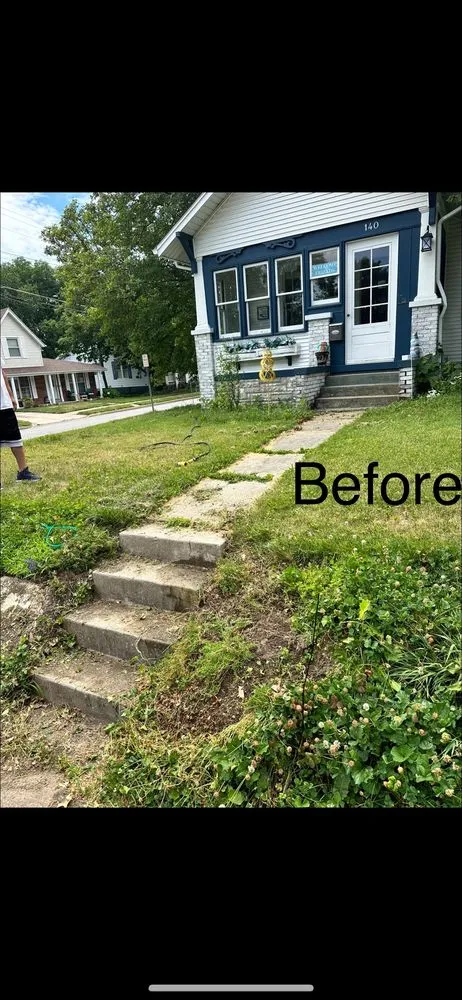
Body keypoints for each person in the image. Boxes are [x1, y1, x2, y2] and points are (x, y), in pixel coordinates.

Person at [0, 366, 41, 483]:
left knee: (15, 439)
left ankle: (23, 472)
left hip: (4, 405)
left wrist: (11, 396)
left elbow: (3, 374)